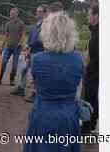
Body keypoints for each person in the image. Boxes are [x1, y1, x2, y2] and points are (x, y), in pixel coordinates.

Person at [23, 12, 83, 152]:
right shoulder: (78, 59)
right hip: (68, 116)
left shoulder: (37, 59)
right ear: (70, 33)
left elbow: (35, 83)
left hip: (44, 114)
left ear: (47, 33)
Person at [11, 4, 48, 96]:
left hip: (39, 52)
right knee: (24, 69)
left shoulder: (46, 26)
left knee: (36, 73)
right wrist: (27, 46)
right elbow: (30, 36)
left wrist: (29, 46)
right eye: (37, 11)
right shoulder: (35, 25)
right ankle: (21, 88)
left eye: (39, 11)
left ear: (44, 13)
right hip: (31, 51)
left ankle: (35, 93)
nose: (37, 13)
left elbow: (40, 40)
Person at [0, 8, 26, 86]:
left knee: (14, 65)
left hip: (17, 48)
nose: (11, 15)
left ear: (17, 14)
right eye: (11, 13)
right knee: (3, 63)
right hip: (8, 47)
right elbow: (6, 36)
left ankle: (12, 79)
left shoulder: (21, 23)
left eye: (13, 13)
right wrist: (2, 46)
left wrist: (20, 43)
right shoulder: (8, 24)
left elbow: (23, 35)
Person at [81, 3, 99, 135]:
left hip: (93, 74)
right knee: (90, 99)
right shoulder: (94, 30)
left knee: (89, 100)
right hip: (91, 72)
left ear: (96, 15)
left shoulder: (99, 33)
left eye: (89, 14)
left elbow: (97, 57)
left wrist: (87, 70)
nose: (88, 16)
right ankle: (90, 125)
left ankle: (88, 127)